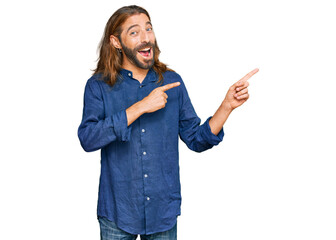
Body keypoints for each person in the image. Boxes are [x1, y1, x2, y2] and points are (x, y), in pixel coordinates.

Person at [78, 5, 258, 240]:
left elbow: (196, 139)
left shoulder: (172, 81)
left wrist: (227, 106)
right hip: (118, 212)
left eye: (148, 29)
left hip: (162, 211)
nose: (146, 38)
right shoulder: (99, 85)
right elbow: (88, 138)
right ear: (116, 42)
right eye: (134, 32)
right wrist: (140, 107)